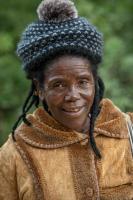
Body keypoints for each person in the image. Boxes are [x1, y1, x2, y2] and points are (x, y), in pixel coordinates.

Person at [0, 0, 133, 199]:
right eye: (59, 84)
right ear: (39, 89)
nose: (73, 96)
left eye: (83, 82)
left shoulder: (126, 131)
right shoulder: (15, 154)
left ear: (94, 82)